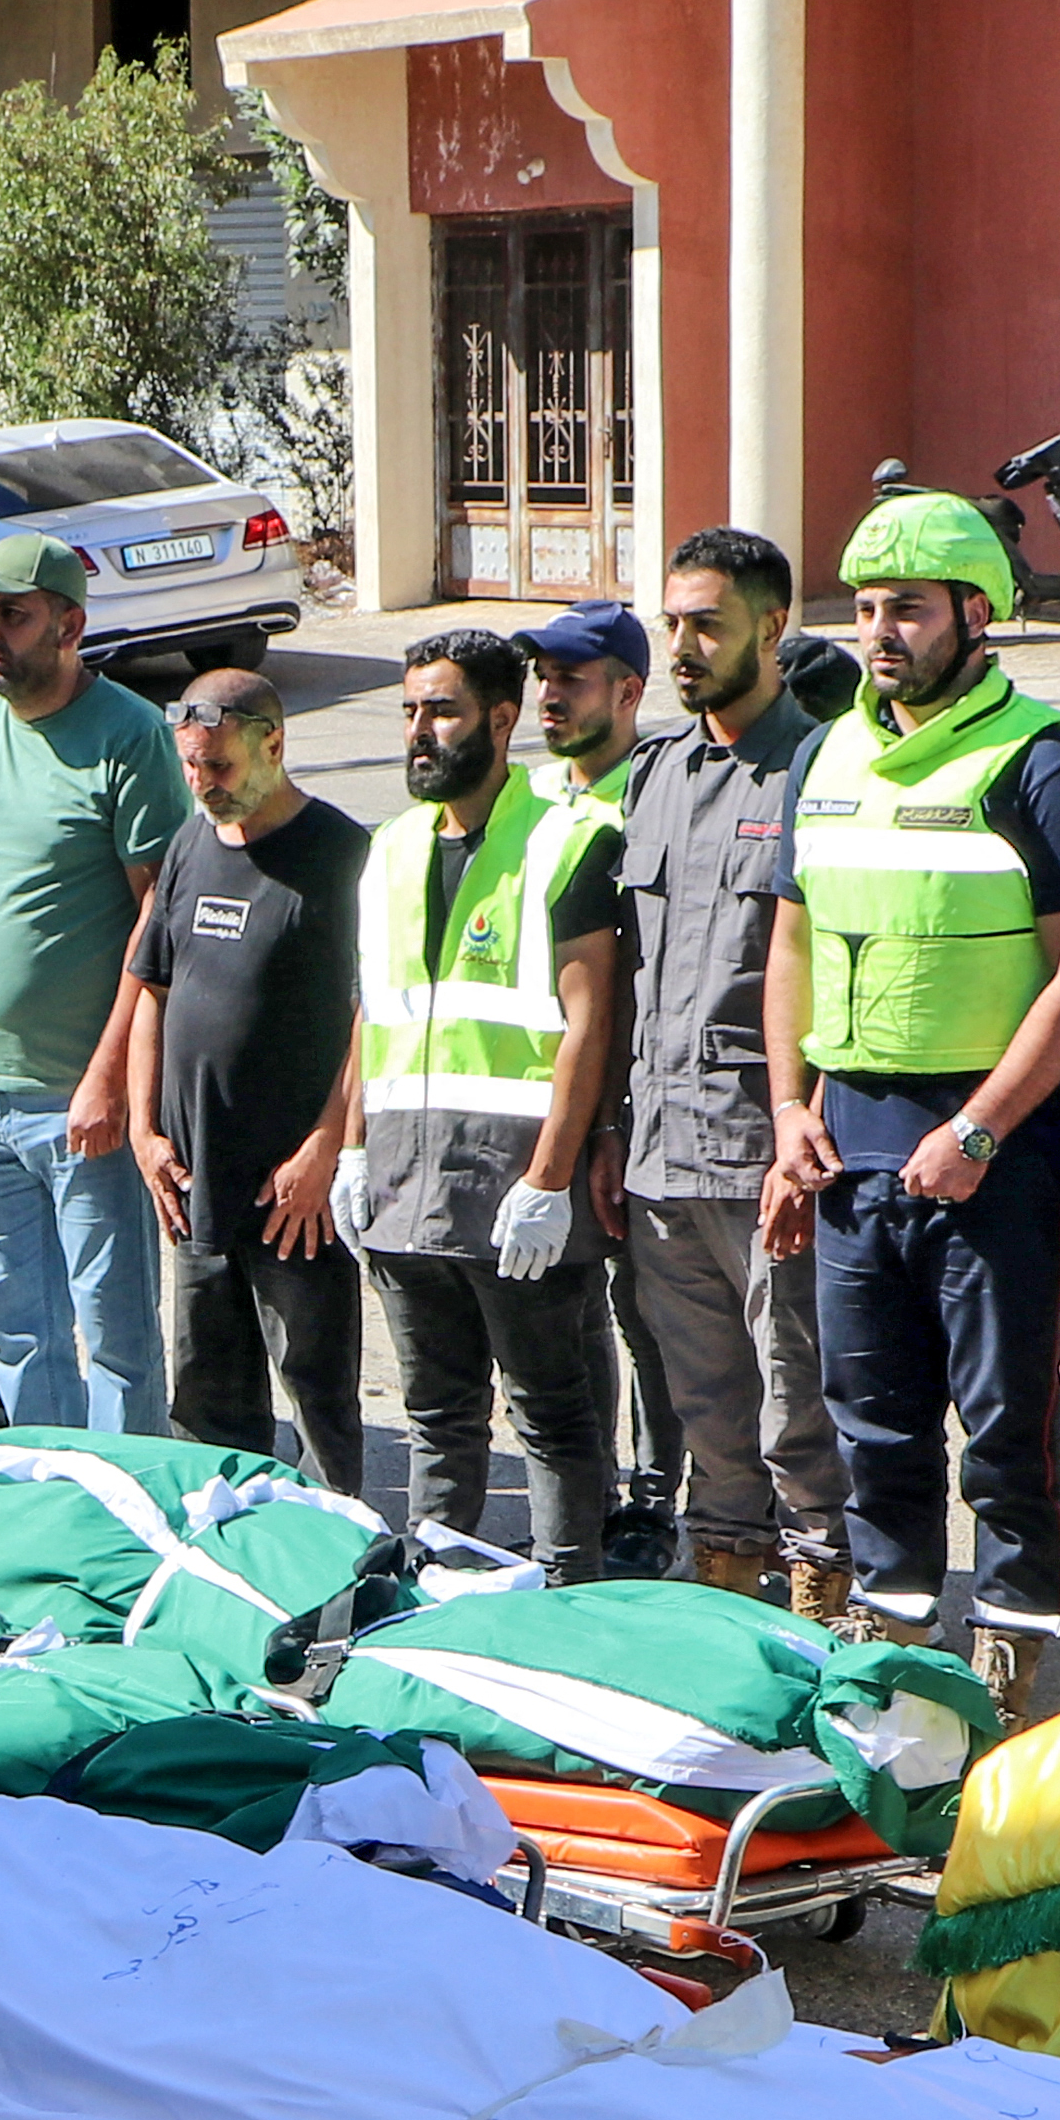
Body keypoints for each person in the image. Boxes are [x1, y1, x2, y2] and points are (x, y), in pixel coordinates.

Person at [760, 489, 1060, 1683]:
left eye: (907, 608)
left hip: (994, 1140)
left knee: (1005, 1420)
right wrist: (790, 1110)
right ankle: (895, 1639)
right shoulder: (825, 752)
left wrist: (976, 1130)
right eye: (867, 608)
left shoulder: (1042, 758)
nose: (880, 631)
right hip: (850, 1134)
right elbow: (791, 945)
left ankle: (1012, 1647)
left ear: (977, 615)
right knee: (872, 1416)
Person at [351, 632, 630, 1568]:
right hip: (404, 1189)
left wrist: (549, 1178)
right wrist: (351, 1151)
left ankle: (567, 1590)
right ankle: (439, 1585)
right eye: (409, 710)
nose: (418, 731)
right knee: (437, 1413)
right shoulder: (389, 848)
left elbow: (591, 1020)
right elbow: (371, 1013)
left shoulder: (567, 840)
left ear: (502, 720)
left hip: (515, 1188)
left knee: (551, 1412)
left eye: (442, 710)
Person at [0, 533, 191, 1434]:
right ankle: (54, 1492)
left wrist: (110, 1078)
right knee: (16, 1330)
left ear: (70, 626)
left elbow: (158, 924)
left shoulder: (129, 736)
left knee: (115, 1335)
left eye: (13, 615)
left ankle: (121, 1500)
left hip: (80, 1104)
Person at [622, 531, 850, 1613]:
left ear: (771, 627)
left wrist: (803, 1134)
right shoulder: (657, 772)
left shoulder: (823, 766)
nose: (683, 645)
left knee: (798, 1403)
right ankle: (725, 1589)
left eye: (707, 624)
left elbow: (833, 970)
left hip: (765, 1153)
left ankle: (823, 1592)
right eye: (673, 623)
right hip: (660, 1155)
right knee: (704, 1406)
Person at [125, 666, 372, 1498]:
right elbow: (152, 990)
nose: (203, 784)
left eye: (220, 767)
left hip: (292, 1193)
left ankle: (332, 1545)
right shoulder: (191, 843)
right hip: (197, 1177)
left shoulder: (339, 854)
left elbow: (369, 1015)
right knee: (205, 1398)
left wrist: (327, 1147)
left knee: (316, 1394)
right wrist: (143, 1130)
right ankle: (218, 1539)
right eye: (192, 766)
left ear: (274, 744)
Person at [514, 598, 681, 1578]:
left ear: (627, 691)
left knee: (648, 1313)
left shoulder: (657, 791)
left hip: (634, 1106)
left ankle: (657, 1501)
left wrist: (614, 1117)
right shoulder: (529, 798)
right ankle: (594, 1497)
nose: (550, 696)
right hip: (540, 1107)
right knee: (570, 1313)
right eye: (543, 678)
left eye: (570, 680)